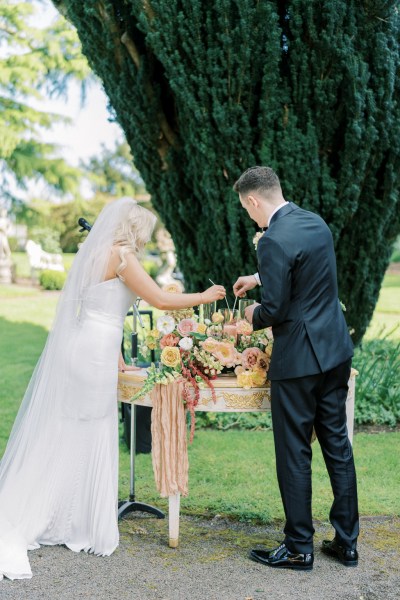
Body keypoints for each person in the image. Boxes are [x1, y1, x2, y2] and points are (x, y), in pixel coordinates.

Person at [0, 197, 225, 581]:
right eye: (145, 232)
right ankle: (74, 521)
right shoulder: (123, 256)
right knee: (88, 428)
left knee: (70, 430)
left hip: (86, 347)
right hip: (92, 355)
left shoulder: (93, 253)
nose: (145, 240)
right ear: (133, 228)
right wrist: (204, 297)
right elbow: (159, 299)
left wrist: (118, 352)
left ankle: (63, 511)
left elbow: (91, 306)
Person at [233, 167, 359, 571]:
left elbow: (276, 309)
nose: (251, 219)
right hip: (335, 351)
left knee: (294, 453)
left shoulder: (271, 240)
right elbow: (304, 266)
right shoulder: (314, 222)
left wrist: (252, 311)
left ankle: (298, 547)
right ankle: (346, 542)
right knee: (337, 445)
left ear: (253, 200)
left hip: (299, 361)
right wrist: (257, 277)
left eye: (247, 210)